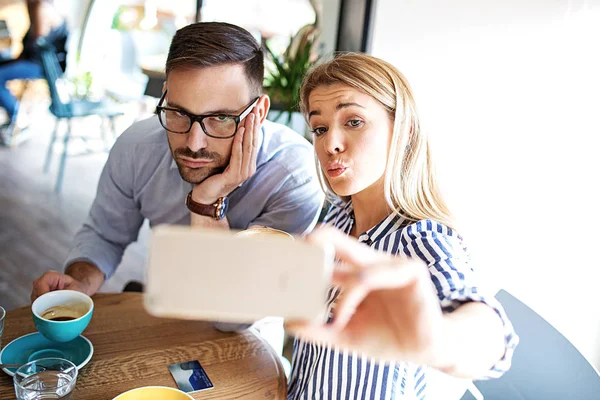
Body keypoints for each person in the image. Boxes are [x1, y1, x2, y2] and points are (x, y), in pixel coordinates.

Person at [30, 22, 323, 302]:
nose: (194, 144)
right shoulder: (137, 149)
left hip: (251, 334)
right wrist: (79, 282)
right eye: (179, 112)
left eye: (220, 118)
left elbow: (229, 312)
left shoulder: (294, 176)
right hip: (161, 302)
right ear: (166, 95)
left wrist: (207, 203)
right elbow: (105, 233)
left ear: (258, 113)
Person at [285, 53, 518, 399]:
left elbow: (490, 338)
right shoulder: (337, 219)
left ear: (404, 132)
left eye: (353, 122)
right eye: (320, 128)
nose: (330, 144)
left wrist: (438, 341)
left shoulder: (422, 240)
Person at [0, 0, 68, 144]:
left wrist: (15, 60)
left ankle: (17, 117)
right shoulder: (35, 6)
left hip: (43, 66)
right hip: (36, 61)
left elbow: (37, 44)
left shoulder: (40, 6)